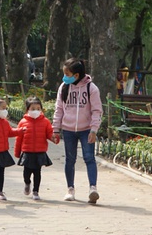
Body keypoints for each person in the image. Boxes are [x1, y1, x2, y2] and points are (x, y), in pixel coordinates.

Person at [51, 58, 103, 204]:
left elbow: (97, 110)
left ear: (76, 75)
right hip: (68, 130)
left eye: (67, 73)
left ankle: (93, 188)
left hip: (86, 129)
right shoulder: (64, 87)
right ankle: (70, 189)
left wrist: (94, 130)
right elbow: (59, 109)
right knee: (70, 159)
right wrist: (56, 129)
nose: (64, 76)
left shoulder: (91, 88)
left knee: (89, 158)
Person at [15, 96, 54, 201]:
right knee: (26, 172)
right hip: (27, 152)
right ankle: (27, 183)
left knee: (37, 172)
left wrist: (55, 138)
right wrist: (17, 152)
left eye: (38, 108)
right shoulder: (23, 122)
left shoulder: (45, 122)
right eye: (33, 109)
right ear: (27, 109)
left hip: (40, 152)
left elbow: (50, 134)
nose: (36, 111)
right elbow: (19, 138)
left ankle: (36, 191)